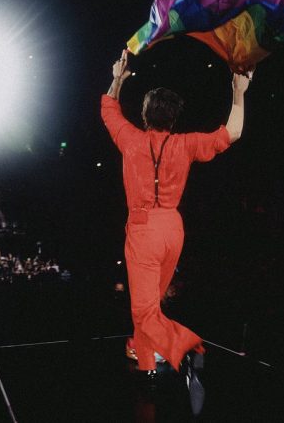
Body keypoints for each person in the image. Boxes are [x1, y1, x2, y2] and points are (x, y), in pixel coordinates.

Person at [101, 50, 251, 405]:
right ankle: (147, 370)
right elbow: (233, 131)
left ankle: (187, 349)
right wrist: (238, 90)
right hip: (172, 229)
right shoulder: (185, 145)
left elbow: (108, 106)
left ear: (145, 115)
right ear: (172, 118)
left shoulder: (131, 139)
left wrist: (119, 78)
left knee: (143, 311)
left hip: (143, 231)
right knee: (150, 307)